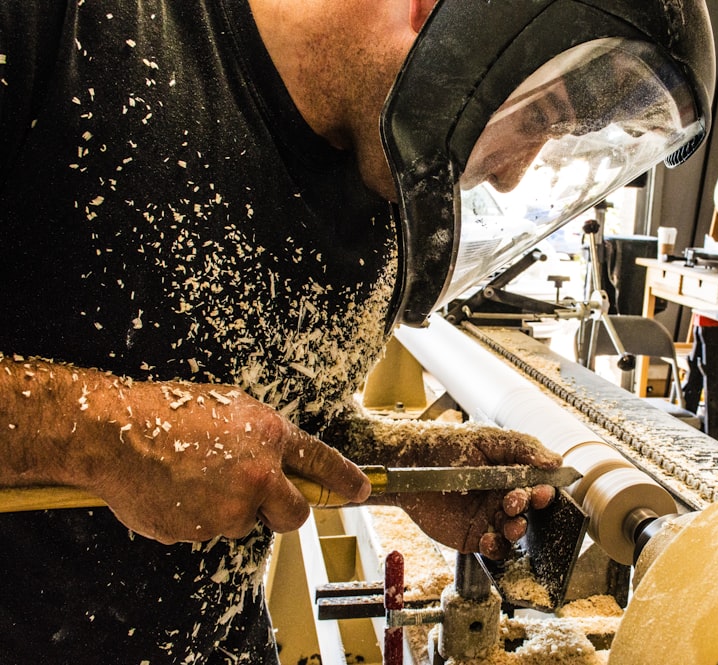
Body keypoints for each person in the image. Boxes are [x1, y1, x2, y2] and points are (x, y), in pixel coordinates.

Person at [0, 0, 563, 661]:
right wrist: (114, 438)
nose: (511, 170)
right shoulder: (60, 27)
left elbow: (276, 408)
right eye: (533, 116)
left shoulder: (384, 188)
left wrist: (398, 464)